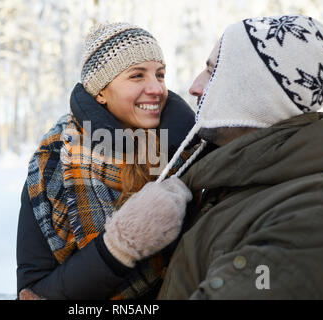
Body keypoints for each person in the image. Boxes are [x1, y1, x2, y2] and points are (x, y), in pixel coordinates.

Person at [153, 14, 323, 299]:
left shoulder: (316, 213)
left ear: (253, 94)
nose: (194, 87)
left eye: (212, 72)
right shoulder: (238, 180)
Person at [16, 22, 196, 300]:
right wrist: (118, 247)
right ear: (100, 91)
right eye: (137, 76)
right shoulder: (53, 163)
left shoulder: (189, 151)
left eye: (160, 75)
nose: (157, 89)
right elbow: (34, 292)